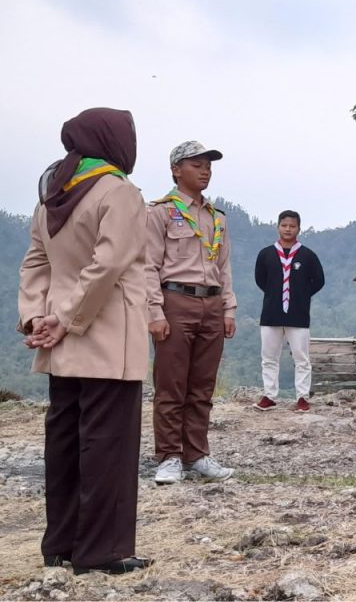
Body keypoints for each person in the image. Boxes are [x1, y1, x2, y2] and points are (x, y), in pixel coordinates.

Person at [18, 107, 152, 574]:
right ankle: (102, 551)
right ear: (112, 142)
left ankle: (60, 543)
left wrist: (38, 317)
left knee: (65, 443)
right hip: (107, 336)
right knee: (107, 446)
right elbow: (109, 264)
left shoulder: (52, 196)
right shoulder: (119, 192)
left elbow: (35, 263)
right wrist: (69, 318)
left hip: (60, 343)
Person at [147, 141, 237, 485]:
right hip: (175, 301)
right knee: (171, 384)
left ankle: (196, 453)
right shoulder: (160, 212)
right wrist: (154, 311)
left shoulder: (216, 217)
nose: (205, 171)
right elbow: (147, 266)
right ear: (175, 169)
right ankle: (169, 455)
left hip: (212, 303)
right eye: (197, 165)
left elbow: (225, 267)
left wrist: (229, 307)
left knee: (202, 385)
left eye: (208, 166)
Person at [253, 210, 326, 412]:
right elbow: (260, 279)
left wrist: (302, 295)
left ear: (298, 229)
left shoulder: (308, 256)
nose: (288, 229)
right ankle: (269, 395)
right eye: (284, 225)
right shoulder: (266, 254)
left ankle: (302, 397)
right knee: (269, 357)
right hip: (271, 313)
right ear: (278, 227)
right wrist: (274, 293)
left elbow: (319, 280)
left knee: (301, 358)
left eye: (292, 226)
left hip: (298, 315)